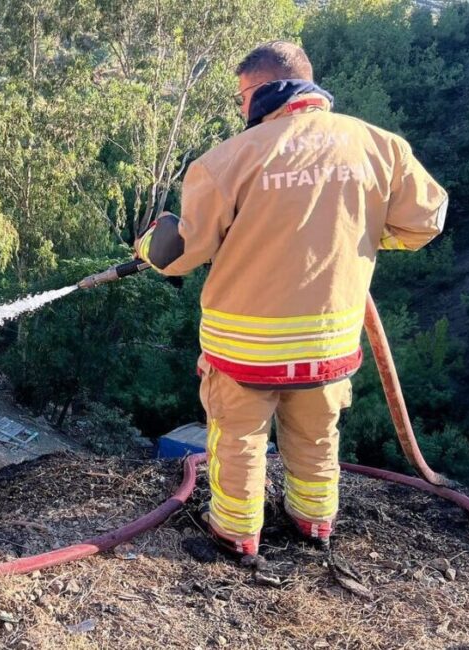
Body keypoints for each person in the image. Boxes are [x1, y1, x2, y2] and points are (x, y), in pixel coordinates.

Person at [134, 41, 448, 557]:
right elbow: (425, 222)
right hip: (328, 347)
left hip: (245, 352)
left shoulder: (229, 160)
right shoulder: (379, 145)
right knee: (317, 439)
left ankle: (236, 536)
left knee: (238, 441)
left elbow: (181, 252)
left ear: (261, 90)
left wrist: (148, 246)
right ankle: (314, 526)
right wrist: (357, 235)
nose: (241, 109)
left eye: (241, 96)